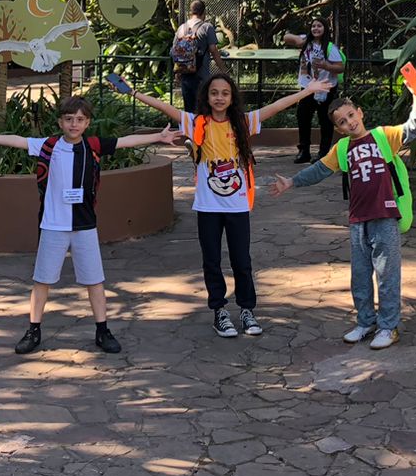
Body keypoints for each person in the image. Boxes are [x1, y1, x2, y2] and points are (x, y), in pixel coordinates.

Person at [116, 70, 334, 338]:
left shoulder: (243, 122)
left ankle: (246, 310)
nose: (219, 98)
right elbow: (165, 107)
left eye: (225, 93)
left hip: (237, 206)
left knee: (242, 261)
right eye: (214, 93)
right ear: (207, 96)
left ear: (232, 98)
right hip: (208, 207)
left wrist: (308, 90)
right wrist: (133, 92)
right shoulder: (195, 122)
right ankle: (219, 311)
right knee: (212, 261)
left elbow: (276, 106)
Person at [0, 94, 181, 356]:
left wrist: (158, 137)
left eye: (80, 120)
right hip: (53, 225)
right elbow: (18, 141)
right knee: (42, 280)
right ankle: (33, 329)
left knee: (94, 280)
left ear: (88, 123)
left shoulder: (93, 145)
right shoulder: (49, 145)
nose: (74, 125)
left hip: (85, 226)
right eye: (69, 119)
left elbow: (124, 142)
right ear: (60, 122)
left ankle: (102, 330)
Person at [270, 78, 416, 350]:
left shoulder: (383, 136)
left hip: (386, 216)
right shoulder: (342, 149)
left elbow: (412, 129)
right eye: (342, 121)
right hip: (358, 219)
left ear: (360, 112)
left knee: (387, 275)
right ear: (338, 129)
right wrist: (292, 181)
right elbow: (319, 170)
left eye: (351, 115)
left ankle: (388, 327)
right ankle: (366, 321)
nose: (349, 122)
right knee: (360, 275)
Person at [282, 17, 345, 162]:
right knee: (303, 117)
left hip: (326, 87)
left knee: (325, 120)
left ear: (325, 29)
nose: (316, 28)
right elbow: (286, 38)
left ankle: (323, 153)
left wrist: (326, 66)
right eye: (313, 26)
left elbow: (340, 67)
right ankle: (304, 151)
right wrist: (299, 40)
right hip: (307, 86)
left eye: (319, 26)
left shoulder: (330, 47)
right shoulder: (306, 42)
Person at [171, 0, 224, 115]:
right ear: (204, 12)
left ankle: (191, 132)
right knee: (203, 111)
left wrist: (178, 71)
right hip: (201, 77)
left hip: (185, 76)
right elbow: (213, 50)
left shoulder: (181, 28)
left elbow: (173, 51)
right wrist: (223, 69)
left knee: (189, 113)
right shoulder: (207, 27)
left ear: (191, 12)